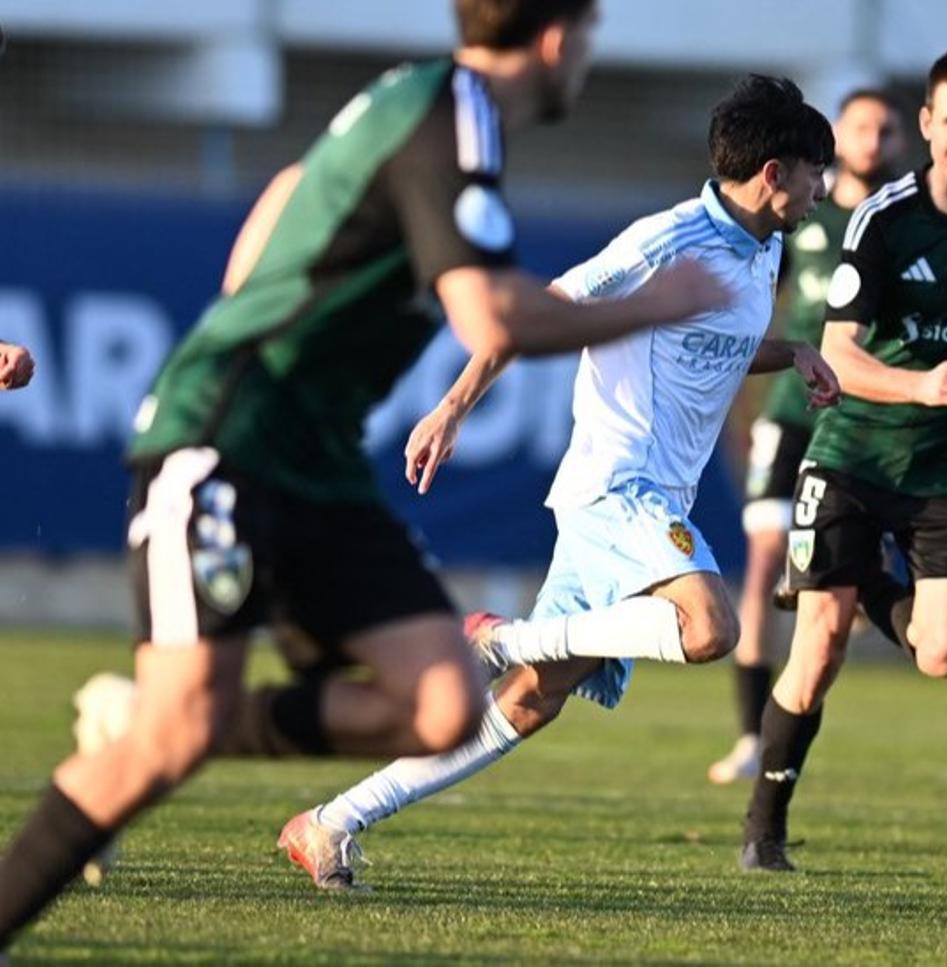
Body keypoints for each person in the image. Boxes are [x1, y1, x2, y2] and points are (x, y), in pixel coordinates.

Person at [0, 0, 729, 950]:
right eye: (587, 35)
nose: (585, 57)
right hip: (227, 447)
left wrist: (257, 318)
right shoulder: (453, 110)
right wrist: (656, 306)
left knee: (439, 703)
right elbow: (494, 319)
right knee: (168, 746)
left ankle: (155, 719)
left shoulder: (421, 108)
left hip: (318, 461)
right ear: (555, 39)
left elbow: (289, 192)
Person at [273, 74, 839, 889]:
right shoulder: (665, 240)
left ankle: (330, 822)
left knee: (531, 700)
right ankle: (510, 635)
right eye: (817, 171)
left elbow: (709, 343)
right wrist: (454, 406)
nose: (824, 189)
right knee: (710, 627)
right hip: (618, 485)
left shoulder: (765, 247)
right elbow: (538, 309)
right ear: (775, 173)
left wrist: (794, 353)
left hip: (648, 502)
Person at [739, 48, 947, 873]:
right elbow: (840, 357)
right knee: (815, 654)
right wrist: (922, 384)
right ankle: (764, 834)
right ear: (927, 125)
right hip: (854, 451)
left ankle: (857, 585)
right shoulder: (881, 219)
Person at [707, 88, 907, 785]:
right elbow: (755, 305)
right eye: (861, 127)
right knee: (762, 563)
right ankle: (747, 732)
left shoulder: (903, 223)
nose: (873, 141)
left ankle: (784, 727)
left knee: (830, 586)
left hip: (861, 418)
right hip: (793, 411)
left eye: (886, 129)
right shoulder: (802, 220)